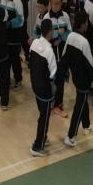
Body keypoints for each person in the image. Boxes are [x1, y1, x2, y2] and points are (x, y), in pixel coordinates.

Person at [62, 15, 93, 147]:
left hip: (75, 77)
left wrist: (65, 72)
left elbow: (64, 56)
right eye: (86, 22)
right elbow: (90, 63)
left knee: (83, 100)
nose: (87, 25)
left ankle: (86, 125)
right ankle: (70, 136)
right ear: (82, 24)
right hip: (84, 80)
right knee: (79, 105)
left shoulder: (70, 36)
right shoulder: (84, 42)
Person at [29, 19, 57, 157]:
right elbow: (53, 74)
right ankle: (37, 146)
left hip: (35, 85)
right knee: (44, 117)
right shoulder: (49, 51)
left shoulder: (34, 43)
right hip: (45, 90)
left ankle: (43, 138)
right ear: (50, 32)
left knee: (42, 113)